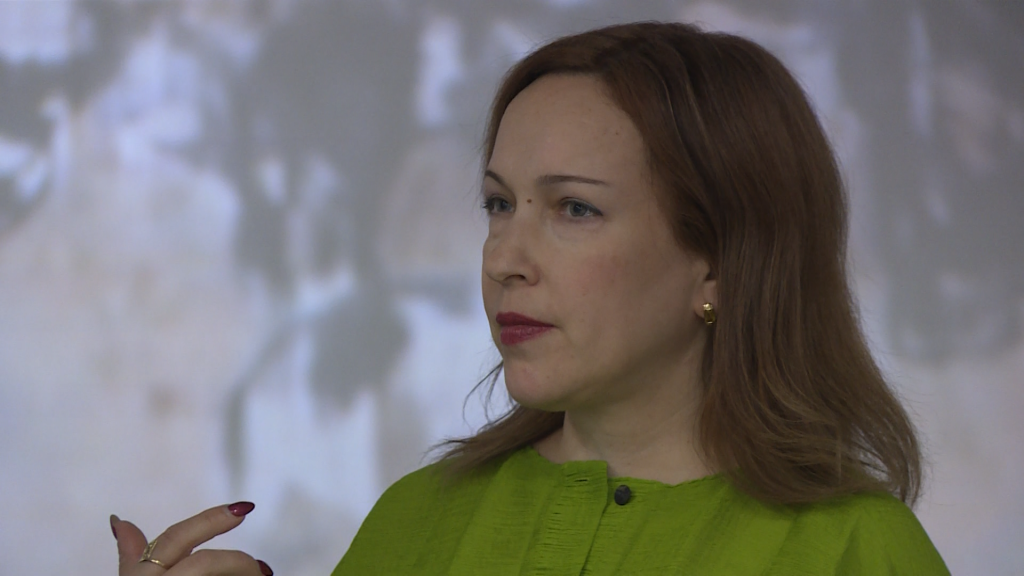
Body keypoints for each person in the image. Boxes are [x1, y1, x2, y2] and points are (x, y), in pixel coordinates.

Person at [109, 21, 950, 575]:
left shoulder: (856, 550)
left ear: (722, 263)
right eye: (499, 204)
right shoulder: (415, 520)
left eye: (574, 209)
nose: (504, 257)